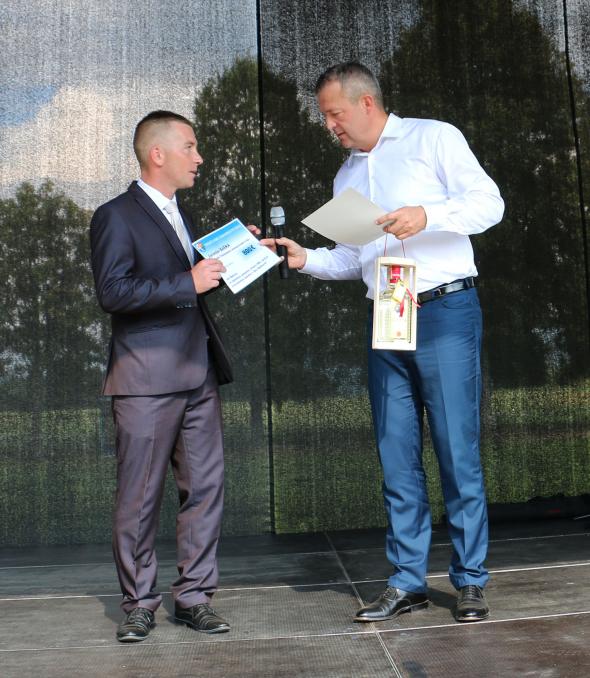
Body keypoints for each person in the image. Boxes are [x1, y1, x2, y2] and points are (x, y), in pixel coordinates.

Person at [262, 62, 504, 623]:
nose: (330, 126)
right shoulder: (346, 175)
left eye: (334, 114)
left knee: (456, 449)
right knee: (396, 453)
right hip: (388, 312)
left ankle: (470, 580)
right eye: (325, 117)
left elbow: (490, 204)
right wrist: (305, 259)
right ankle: (406, 581)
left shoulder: (432, 138)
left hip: (444, 308)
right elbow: (355, 258)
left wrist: (427, 215)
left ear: (366, 103)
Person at [90, 110, 232, 641]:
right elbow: (113, 292)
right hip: (145, 379)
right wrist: (188, 281)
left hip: (198, 373)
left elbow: (190, 283)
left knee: (205, 490)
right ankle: (139, 603)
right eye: (190, 147)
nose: (199, 158)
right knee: (139, 497)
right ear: (158, 154)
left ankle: (194, 597)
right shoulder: (115, 215)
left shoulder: (181, 214)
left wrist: (235, 258)